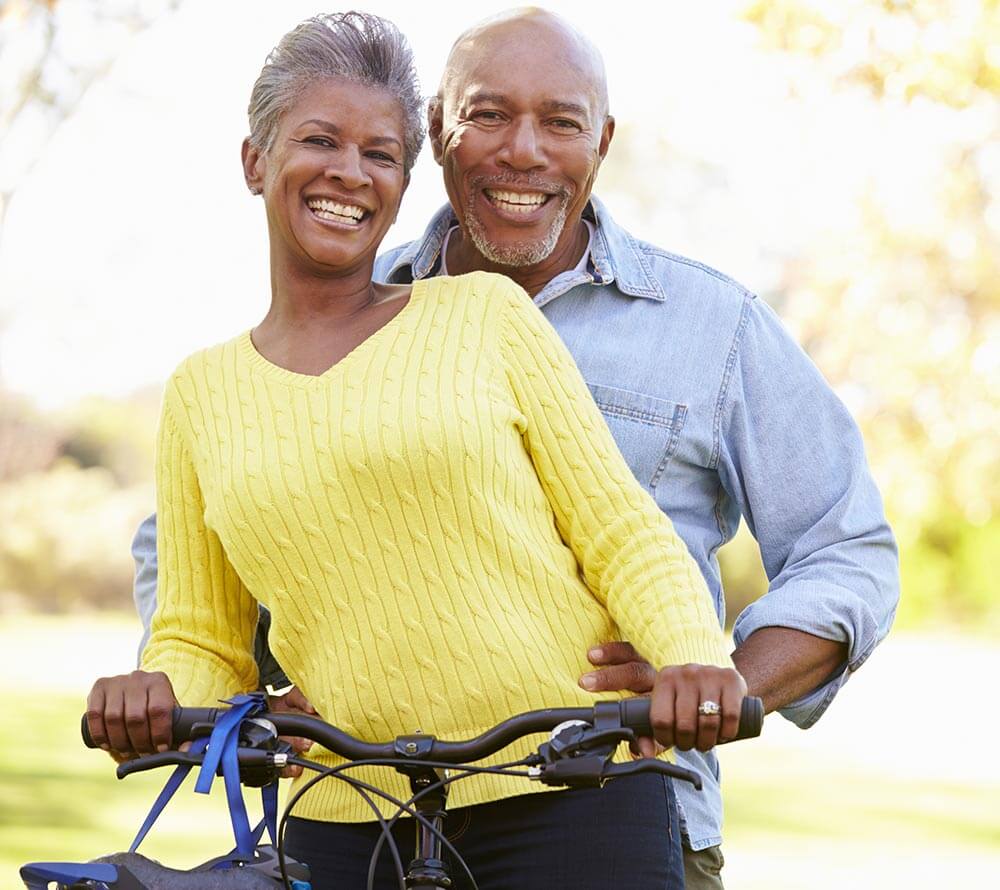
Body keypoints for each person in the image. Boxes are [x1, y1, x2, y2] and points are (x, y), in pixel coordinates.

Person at [126, 8, 899, 887]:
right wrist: (229, 707)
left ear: (601, 141)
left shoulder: (707, 325)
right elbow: (199, 598)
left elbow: (747, 543)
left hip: (598, 789)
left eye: (560, 121)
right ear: (439, 135)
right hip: (352, 806)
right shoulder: (249, 368)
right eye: (489, 114)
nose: (523, 151)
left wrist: (711, 679)